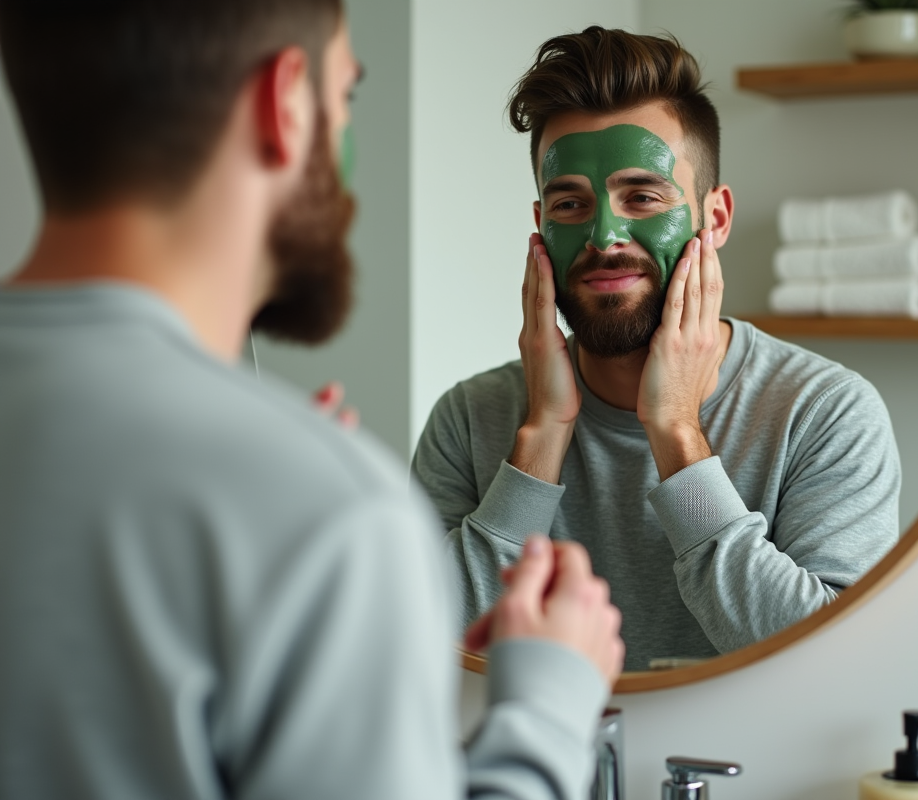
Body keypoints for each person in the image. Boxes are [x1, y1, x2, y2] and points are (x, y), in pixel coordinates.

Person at [0, 2, 623, 799]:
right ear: (284, 102)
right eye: (347, 97)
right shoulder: (320, 502)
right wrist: (547, 709)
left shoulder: (298, 499)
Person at [413, 27, 901, 672]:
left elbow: (830, 662)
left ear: (715, 218)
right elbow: (410, 645)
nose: (605, 235)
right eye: (570, 203)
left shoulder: (827, 413)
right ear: (540, 227)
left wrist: (675, 432)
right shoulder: (470, 417)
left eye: (642, 197)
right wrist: (540, 442)